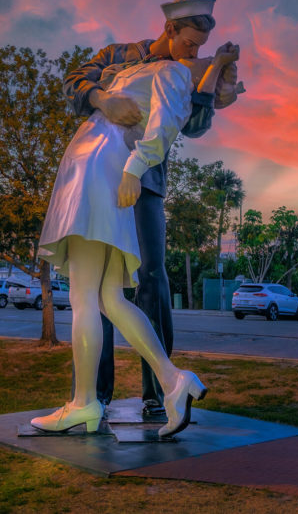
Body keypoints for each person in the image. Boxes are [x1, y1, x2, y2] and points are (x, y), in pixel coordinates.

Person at [33, 41, 240, 437]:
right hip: (105, 168)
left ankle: (85, 404)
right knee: (109, 297)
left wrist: (135, 166)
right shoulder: (136, 62)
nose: (195, 52)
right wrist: (102, 99)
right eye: (192, 43)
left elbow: (176, 123)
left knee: (85, 296)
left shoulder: (172, 73)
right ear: (172, 28)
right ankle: (172, 381)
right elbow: (79, 82)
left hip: (97, 169)